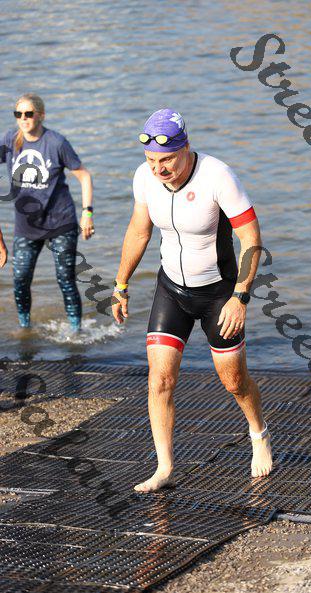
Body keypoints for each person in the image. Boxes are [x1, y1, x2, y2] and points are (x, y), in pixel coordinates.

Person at [112, 108, 272, 492]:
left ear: (186, 147)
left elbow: (251, 239)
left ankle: (259, 433)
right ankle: (164, 467)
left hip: (219, 294)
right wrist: (120, 285)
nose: (159, 169)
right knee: (160, 379)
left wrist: (240, 297)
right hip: (171, 290)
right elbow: (139, 231)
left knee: (234, 382)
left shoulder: (218, 176)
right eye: (151, 160)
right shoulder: (144, 177)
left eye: (166, 160)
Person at [0, 93, 94, 331]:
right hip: (26, 226)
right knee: (20, 280)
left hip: (60, 222)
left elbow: (84, 175)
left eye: (29, 113)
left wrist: (87, 213)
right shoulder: (10, 140)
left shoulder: (56, 142)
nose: (23, 118)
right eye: (18, 114)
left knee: (65, 279)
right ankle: (25, 328)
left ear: (41, 115)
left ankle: (75, 332)